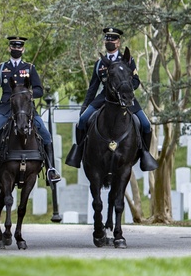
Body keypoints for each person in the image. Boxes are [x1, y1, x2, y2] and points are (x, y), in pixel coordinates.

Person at [66, 28, 158, 171]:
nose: (110, 41)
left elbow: (136, 81)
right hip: (105, 97)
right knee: (82, 121)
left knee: (146, 125)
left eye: (113, 39)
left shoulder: (127, 60)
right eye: (107, 39)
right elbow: (93, 87)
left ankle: (144, 154)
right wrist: (85, 106)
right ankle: (80, 152)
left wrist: (126, 90)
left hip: (125, 96)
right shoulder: (99, 64)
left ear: (118, 43)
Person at [0, 37, 62, 183]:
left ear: (23, 49)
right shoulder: (1, 68)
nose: (16, 49)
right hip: (5, 108)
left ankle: (51, 169)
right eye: (13, 47)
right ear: (9, 49)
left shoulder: (29, 68)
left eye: (19, 47)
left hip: (26, 109)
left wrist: (27, 95)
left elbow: (39, 90)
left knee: (46, 135)